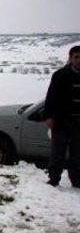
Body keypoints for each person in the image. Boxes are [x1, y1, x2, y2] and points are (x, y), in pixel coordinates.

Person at [43, 45, 80, 187]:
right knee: (57, 153)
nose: (79, 60)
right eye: (76, 57)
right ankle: (53, 179)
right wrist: (49, 117)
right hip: (62, 122)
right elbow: (50, 97)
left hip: (79, 123)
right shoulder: (60, 75)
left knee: (77, 155)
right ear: (70, 58)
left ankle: (76, 181)